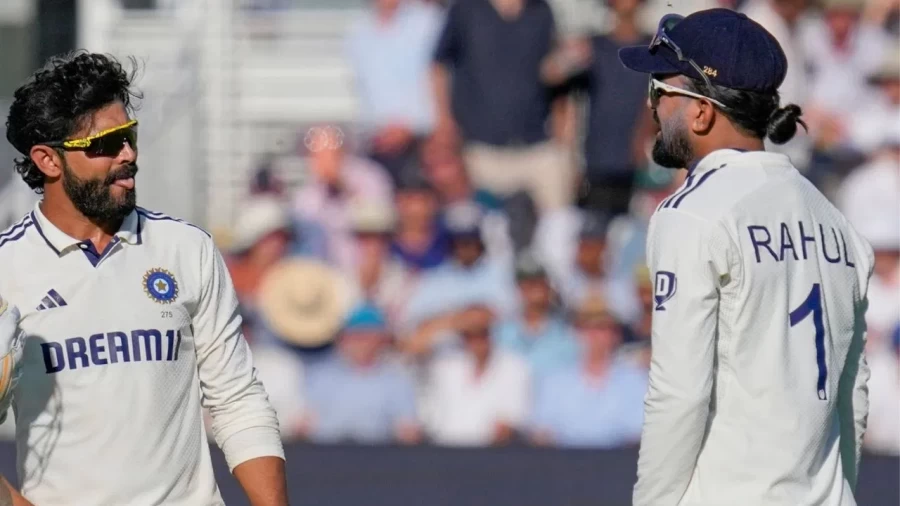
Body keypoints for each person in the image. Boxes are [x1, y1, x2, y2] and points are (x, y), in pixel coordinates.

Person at [1, 52, 286, 505]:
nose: (128, 154)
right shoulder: (7, 268)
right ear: (48, 160)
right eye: (106, 144)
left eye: (129, 135)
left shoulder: (186, 249)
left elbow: (237, 399)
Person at [618, 9, 874, 506]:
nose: (652, 106)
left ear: (701, 111)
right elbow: (853, 397)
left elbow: (679, 392)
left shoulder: (692, 215)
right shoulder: (837, 224)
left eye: (659, 89)